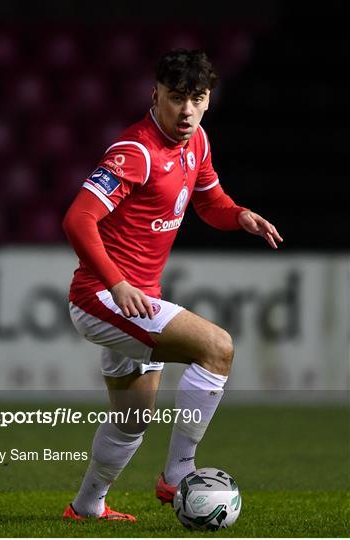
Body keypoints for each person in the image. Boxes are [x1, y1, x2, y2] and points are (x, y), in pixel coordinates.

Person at [61, 48, 283, 522]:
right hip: (104, 297)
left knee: (131, 420)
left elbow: (209, 201)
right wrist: (117, 283)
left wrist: (239, 215)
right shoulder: (135, 151)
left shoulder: (197, 142)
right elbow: (78, 220)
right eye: (176, 97)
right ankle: (179, 472)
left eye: (196, 99)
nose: (185, 110)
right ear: (155, 94)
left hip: (140, 299)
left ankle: (86, 507)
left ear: (207, 101)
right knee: (217, 348)